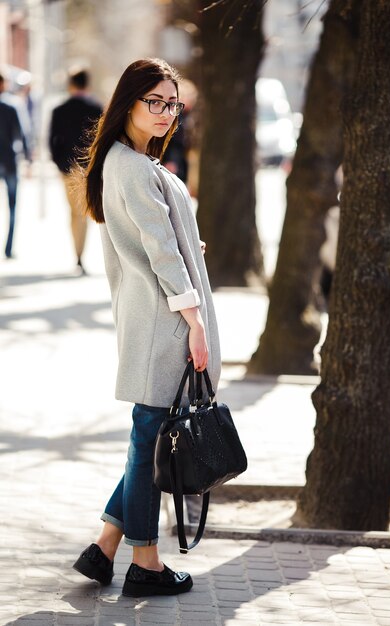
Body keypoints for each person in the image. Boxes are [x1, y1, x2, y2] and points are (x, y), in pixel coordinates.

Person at [71, 58, 221, 597]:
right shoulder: (132, 166)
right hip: (165, 323)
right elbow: (159, 251)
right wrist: (195, 323)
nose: (164, 113)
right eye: (154, 101)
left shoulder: (130, 161)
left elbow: (159, 239)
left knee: (148, 441)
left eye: (172, 103)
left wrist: (187, 247)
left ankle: (105, 548)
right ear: (129, 101)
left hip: (157, 316)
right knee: (150, 441)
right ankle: (147, 563)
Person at [49, 69, 102, 274]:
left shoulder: (60, 109)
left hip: (69, 169)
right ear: (87, 85)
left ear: (71, 85)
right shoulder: (97, 108)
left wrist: (60, 164)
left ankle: (77, 255)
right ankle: (81, 255)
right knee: (84, 213)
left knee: (74, 213)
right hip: (89, 168)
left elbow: (52, 142)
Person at [0, 74, 26, 259]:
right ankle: (8, 249)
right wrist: (27, 158)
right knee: (12, 206)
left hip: (8, 162)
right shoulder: (10, 107)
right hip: (9, 161)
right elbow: (20, 134)